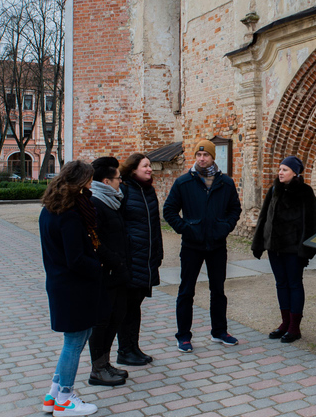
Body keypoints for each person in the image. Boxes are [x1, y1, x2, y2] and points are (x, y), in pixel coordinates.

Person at [163, 139, 242, 352]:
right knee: (186, 291)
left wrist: (225, 227)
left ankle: (219, 331)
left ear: (212, 157)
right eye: (198, 155)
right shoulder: (184, 182)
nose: (201, 159)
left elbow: (235, 209)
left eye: (205, 155)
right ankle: (183, 336)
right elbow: (169, 210)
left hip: (217, 245)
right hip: (192, 245)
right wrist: (186, 228)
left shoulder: (225, 182)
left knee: (218, 290)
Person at [39, 160, 101, 416]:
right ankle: (65, 398)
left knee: (78, 338)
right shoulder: (69, 215)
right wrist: (99, 267)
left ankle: (52, 394)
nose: (90, 185)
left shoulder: (50, 209)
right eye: (88, 180)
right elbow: (75, 258)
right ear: (78, 182)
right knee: (74, 342)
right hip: (73, 287)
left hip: (60, 283)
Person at [251, 155, 316, 343]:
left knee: (294, 284)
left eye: (285, 170)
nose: (280, 172)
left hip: (294, 249)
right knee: (280, 284)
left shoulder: (305, 192)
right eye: (280, 169)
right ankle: (285, 323)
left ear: (295, 173)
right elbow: (264, 216)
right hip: (274, 247)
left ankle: (294, 327)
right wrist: (259, 243)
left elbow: (312, 222)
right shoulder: (274, 189)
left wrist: (306, 250)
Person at [87, 157, 130, 386]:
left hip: (118, 271)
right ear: (106, 181)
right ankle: (97, 369)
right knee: (102, 321)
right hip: (107, 273)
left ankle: (105, 362)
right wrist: (113, 261)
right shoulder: (97, 203)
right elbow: (96, 241)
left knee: (116, 317)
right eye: (117, 179)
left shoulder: (113, 201)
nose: (120, 182)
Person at [116, 153, 163, 366]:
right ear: (133, 169)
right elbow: (118, 226)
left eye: (150, 165)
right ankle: (125, 350)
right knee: (127, 307)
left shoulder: (149, 191)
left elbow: (155, 227)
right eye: (145, 166)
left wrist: (158, 253)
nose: (149, 169)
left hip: (147, 258)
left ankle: (133, 347)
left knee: (135, 306)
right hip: (132, 259)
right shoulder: (124, 190)